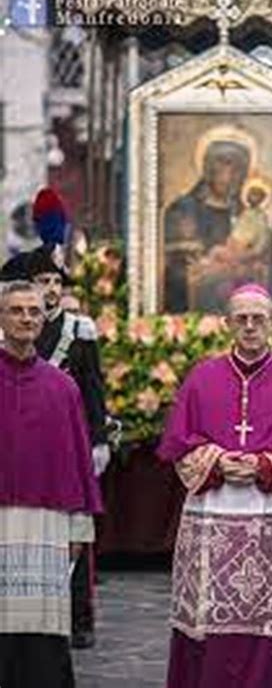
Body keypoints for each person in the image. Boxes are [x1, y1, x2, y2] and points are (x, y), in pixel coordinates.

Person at [157, 283, 272, 688]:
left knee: (271, 620)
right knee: (208, 619)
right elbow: (179, 446)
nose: (249, 326)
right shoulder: (201, 377)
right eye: (241, 319)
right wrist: (219, 462)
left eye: (258, 318)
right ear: (227, 323)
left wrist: (263, 466)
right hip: (213, 514)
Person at [0, 187, 110, 649]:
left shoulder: (76, 329)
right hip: (15, 446)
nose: (48, 291)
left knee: (71, 531)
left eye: (54, 284)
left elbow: (91, 387)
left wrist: (99, 437)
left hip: (65, 440)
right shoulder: (16, 328)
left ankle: (78, 618)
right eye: (41, 282)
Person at [0, 280, 101, 688]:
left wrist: (80, 526)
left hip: (47, 523)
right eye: (17, 310)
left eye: (34, 311)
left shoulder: (63, 387)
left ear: (44, 319)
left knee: (42, 623)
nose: (26, 318)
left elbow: (78, 461)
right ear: (2, 317)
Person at [164, 138, 250, 311]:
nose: (232, 178)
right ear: (209, 170)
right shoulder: (183, 210)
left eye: (239, 172)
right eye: (226, 169)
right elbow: (173, 268)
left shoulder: (245, 215)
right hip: (192, 308)